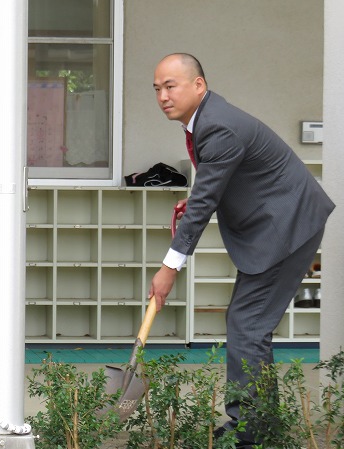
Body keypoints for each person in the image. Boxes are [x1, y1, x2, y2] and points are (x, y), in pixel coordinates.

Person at [150, 53, 334, 447]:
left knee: (247, 325)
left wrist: (170, 267)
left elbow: (204, 204)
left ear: (198, 85)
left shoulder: (218, 127)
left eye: (171, 86)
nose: (163, 96)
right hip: (280, 220)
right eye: (157, 89)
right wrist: (196, 196)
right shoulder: (207, 120)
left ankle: (251, 433)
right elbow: (217, 183)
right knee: (248, 324)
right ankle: (257, 425)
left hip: (287, 225)